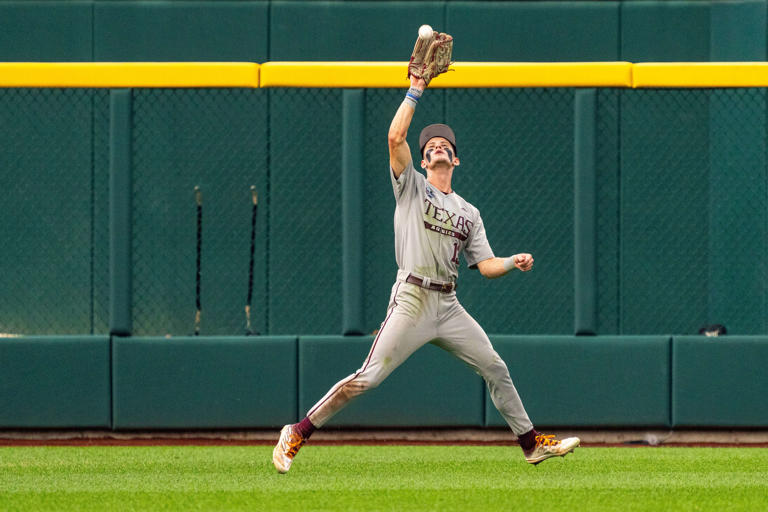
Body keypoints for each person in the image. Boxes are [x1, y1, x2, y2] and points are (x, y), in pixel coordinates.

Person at [272, 73, 579, 474]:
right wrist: (416, 88)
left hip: (448, 305)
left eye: (444, 145)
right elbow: (395, 138)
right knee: (368, 378)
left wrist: (509, 262)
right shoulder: (411, 187)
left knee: (495, 367)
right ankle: (297, 432)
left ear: (455, 160)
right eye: (430, 146)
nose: (437, 146)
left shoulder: (470, 213)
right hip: (412, 298)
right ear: (422, 161)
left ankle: (530, 444)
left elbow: (484, 267)